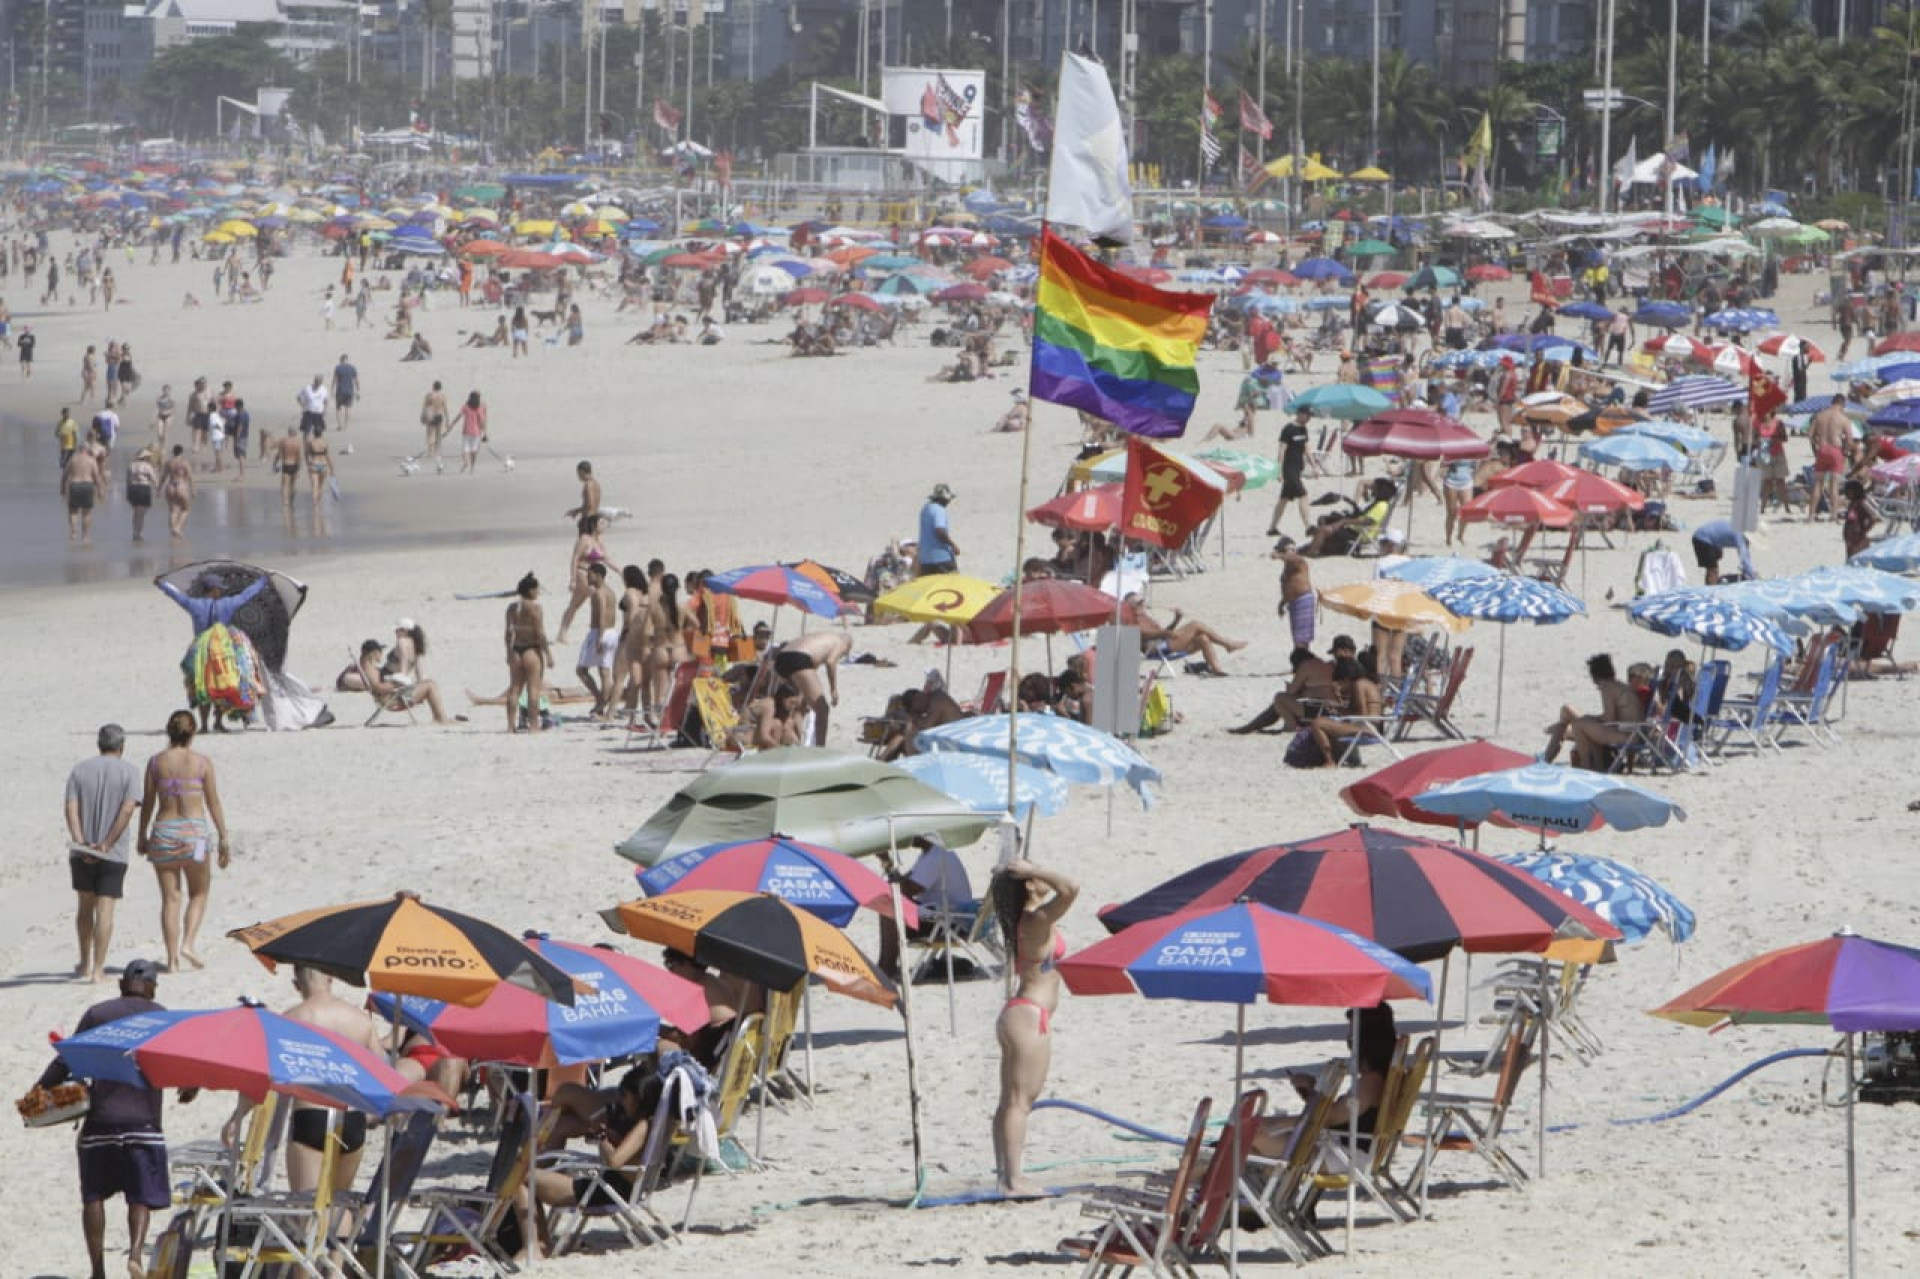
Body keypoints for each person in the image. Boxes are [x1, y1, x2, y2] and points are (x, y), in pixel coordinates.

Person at [30, 959, 196, 1279]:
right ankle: (134, 1252)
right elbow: (185, 1064)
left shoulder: (98, 1014)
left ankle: (97, 1271)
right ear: (151, 988)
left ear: (122, 985)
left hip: (101, 1121)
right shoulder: (162, 1018)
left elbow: (68, 1057)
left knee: (93, 1196)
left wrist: (40, 1089)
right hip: (144, 1123)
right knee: (140, 1196)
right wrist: (191, 1088)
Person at [991, 858, 1078, 1198]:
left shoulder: (1023, 921)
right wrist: (1037, 871)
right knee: (1019, 1103)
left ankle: (1006, 1176)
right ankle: (1013, 1180)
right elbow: (1071, 887)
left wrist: (1029, 873)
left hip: (1018, 1013)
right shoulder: (1036, 919)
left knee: (1009, 1102)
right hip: (1029, 1015)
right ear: (1028, 883)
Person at [527, 1064, 664, 1258]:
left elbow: (615, 1162)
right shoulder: (652, 1126)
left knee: (525, 1177)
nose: (621, 1101)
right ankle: (539, 1242)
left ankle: (538, 1244)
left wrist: (602, 1138)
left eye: (624, 1095)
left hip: (604, 1191)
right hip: (614, 1188)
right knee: (532, 1171)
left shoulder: (643, 1127)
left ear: (638, 1098)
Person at [136, 710, 230, 971]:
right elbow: (213, 802)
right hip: (196, 836)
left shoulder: (156, 763)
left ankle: (172, 959)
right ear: (193, 733)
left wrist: (142, 834)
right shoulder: (202, 763)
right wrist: (223, 836)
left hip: (164, 832)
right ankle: (188, 943)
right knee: (199, 892)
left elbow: (148, 803)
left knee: (170, 898)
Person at [1251, 1004, 1398, 1158]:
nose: (1350, 1046)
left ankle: (1259, 1177)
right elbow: (1339, 1115)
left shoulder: (1371, 1083)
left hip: (1345, 1154)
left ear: (1365, 1043)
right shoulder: (1382, 1079)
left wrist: (1278, 1123)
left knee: (1253, 1135)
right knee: (1254, 1133)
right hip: (1339, 1145)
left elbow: (1330, 1117)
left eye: (1352, 1040)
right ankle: (1261, 1177)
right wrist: (1311, 1092)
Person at [64, 724, 143, 983]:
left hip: (81, 851)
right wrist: (107, 843)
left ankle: (85, 961)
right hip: (113, 852)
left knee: (84, 906)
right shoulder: (129, 771)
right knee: (105, 909)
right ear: (121, 746)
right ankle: (98, 968)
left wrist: (81, 842)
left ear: (99, 744)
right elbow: (128, 809)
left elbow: (71, 809)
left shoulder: (79, 770)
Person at [1543, 653, 1644, 771]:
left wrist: (1589, 719)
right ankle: (1550, 756)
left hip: (1626, 734)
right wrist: (1589, 719)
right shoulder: (1619, 685)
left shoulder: (1607, 688)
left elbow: (1609, 719)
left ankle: (1587, 766)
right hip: (1633, 732)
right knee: (1573, 717)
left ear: (1594, 674)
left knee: (1578, 725)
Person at [1228, 644, 1341, 734]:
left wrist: (1289, 685)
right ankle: (1250, 727)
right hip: (1334, 710)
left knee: (1280, 698)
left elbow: (1292, 691)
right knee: (1280, 704)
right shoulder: (1326, 664)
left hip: (1317, 710)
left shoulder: (1306, 666)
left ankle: (1290, 726)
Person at [1122, 594, 1247, 676]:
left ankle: (1216, 669)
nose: (1143, 604)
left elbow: (1164, 633)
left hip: (1164, 643)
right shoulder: (1133, 620)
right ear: (1131, 606)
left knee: (1202, 638)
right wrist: (1165, 633)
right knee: (1196, 624)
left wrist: (1176, 619)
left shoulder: (1146, 617)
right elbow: (1143, 634)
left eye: (1143, 601)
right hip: (1156, 648)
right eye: (1139, 603)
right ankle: (1228, 644)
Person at [771, 628, 854, 746]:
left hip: (782, 657)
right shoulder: (840, 642)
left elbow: (810, 670)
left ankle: (792, 739)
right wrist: (833, 689)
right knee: (823, 709)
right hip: (799, 658)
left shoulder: (822, 636)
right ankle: (820, 748)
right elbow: (831, 662)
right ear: (848, 647)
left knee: (800, 705)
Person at [1310, 654, 1387, 765]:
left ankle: (1329, 761)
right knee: (1327, 722)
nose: (1340, 686)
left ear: (1346, 679)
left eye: (1340, 683)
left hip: (1368, 728)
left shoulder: (1359, 685)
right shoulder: (1365, 683)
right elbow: (1354, 712)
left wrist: (1339, 712)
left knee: (1317, 723)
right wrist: (1338, 701)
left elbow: (1362, 715)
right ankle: (1337, 758)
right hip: (1369, 726)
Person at [357, 638, 454, 724]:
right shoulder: (370, 669)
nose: (381, 653)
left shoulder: (367, 667)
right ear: (373, 653)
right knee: (430, 685)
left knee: (427, 683)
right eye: (380, 651)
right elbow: (378, 688)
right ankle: (440, 718)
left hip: (391, 697)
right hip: (394, 700)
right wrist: (396, 684)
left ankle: (440, 717)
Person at [505, 573, 553, 734]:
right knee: (533, 690)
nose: (538, 592)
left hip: (516, 649)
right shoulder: (535, 608)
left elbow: (508, 633)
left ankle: (510, 725)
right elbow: (540, 633)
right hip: (532, 650)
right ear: (531, 590)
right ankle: (533, 725)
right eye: (537, 589)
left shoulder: (512, 608)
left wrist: (508, 652)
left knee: (515, 689)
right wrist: (548, 654)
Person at [574, 562, 620, 717]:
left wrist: (599, 637)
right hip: (612, 632)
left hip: (600, 632)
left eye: (590, 573)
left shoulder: (599, 592)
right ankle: (602, 704)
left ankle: (600, 700)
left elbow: (601, 616)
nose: (587, 576)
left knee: (581, 670)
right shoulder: (611, 592)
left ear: (599, 575)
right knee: (604, 671)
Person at [1268, 407, 1314, 535]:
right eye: (1307, 415)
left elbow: (1307, 449)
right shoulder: (1288, 429)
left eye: (1310, 416)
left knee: (1284, 499)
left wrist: (1314, 466)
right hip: (1288, 469)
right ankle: (1308, 526)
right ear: (1300, 414)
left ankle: (1272, 528)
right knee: (1303, 495)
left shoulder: (1303, 429)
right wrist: (1279, 471)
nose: (1309, 418)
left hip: (1298, 469)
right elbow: (1281, 451)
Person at [1808, 395, 1853, 519]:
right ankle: (1833, 515)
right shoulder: (1843, 418)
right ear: (1842, 404)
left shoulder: (1820, 415)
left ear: (1832, 402)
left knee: (1818, 483)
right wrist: (1846, 452)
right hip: (1835, 450)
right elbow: (1849, 440)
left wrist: (1815, 449)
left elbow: (1810, 435)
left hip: (1822, 449)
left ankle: (1811, 515)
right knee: (1834, 485)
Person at [1273, 540, 1316, 650]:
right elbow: (1288, 584)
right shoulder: (1287, 566)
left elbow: (1294, 558)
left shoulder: (1299, 561)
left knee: (1302, 639)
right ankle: (1302, 662)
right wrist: (1282, 603)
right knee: (1297, 637)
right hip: (1293, 602)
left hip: (1303, 599)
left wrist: (1280, 555)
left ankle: (1304, 662)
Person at [1690, 518, 1757, 585]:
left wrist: (1748, 570)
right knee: (1713, 570)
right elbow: (1744, 557)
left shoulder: (1741, 529)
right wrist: (1753, 577)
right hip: (1702, 539)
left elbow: (1746, 554)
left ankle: (1713, 579)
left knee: (1719, 555)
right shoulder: (1739, 535)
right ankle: (1711, 591)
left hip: (1709, 536)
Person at [63, 436, 103, 545]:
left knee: (73, 511)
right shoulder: (91, 460)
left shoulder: (73, 459)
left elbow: (65, 475)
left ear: (79, 449)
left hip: (74, 485)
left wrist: (63, 489)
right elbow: (97, 477)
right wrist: (100, 490)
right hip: (87, 485)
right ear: (87, 450)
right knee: (86, 512)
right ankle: (85, 536)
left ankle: (74, 532)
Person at [916, 483, 960, 575]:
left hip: (925, 559)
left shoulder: (926, 509)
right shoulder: (939, 510)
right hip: (941, 558)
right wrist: (953, 545)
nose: (949, 502)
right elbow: (940, 531)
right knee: (951, 584)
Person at [125, 447, 156, 542]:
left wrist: (127, 493)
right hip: (143, 487)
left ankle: (135, 531)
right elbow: (153, 478)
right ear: (145, 457)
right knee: (142, 512)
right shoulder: (147, 466)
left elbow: (128, 480)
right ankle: (138, 533)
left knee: (136, 512)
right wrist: (158, 489)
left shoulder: (131, 466)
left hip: (133, 488)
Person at [161, 444, 193, 539]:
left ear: (173, 452)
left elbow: (163, 477)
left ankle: (173, 530)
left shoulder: (168, 462)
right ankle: (178, 528)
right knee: (185, 509)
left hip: (170, 485)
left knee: (172, 511)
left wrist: (159, 488)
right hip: (181, 485)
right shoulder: (184, 463)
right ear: (181, 452)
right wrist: (193, 489)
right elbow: (190, 477)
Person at [1842, 479, 1877, 559]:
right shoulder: (1852, 503)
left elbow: (1874, 517)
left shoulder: (1862, 503)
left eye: (1848, 491)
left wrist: (1865, 530)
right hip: (1850, 537)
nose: (1846, 493)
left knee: (1856, 560)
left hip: (1858, 538)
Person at [419, 380, 448, 471]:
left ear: (433, 387)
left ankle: (430, 452)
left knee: (430, 434)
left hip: (431, 415)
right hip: (439, 416)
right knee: (438, 435)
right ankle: (437, 452)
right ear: (440, 387)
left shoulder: (429, 395)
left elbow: (424, 407)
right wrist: (447, 420)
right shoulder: (442, 396)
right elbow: (445, 409)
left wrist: (422, 416)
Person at [330, 353, 359, 444]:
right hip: (349, 391)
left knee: (338, 408)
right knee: (348, 408)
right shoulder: (352, 368)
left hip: (340, 391)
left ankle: (340, 425)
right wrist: (358, 389)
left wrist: (332, 389)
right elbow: (356, 380)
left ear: (340, 360)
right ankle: (346, 426)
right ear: (347, 360)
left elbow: (335, 379)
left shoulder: (338, 368)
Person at [457, 389, 488, 474]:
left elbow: (458, 417)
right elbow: (482, 422)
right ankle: (472, 467)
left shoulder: (466, 406)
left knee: (465, 448)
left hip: (466, 431)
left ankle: (466, 462)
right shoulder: (479, 408)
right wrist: (484, 433)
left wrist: (450, 426)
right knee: (474, 450)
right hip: (476, 432)